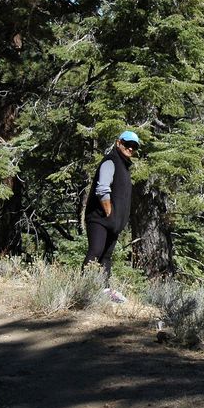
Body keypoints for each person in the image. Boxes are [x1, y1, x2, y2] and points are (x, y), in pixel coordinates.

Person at [83, 130, 140, 303]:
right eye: (127, 144)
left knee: (106, 256)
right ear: (118, 143)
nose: (130, 148)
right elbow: (102, 188)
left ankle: (103, 291)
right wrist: (108, 210)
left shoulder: (124, 166)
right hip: (99, 218)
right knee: (95, 252)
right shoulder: (110, 161)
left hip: (113, 223)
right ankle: (84, 290)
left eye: (134, 146)